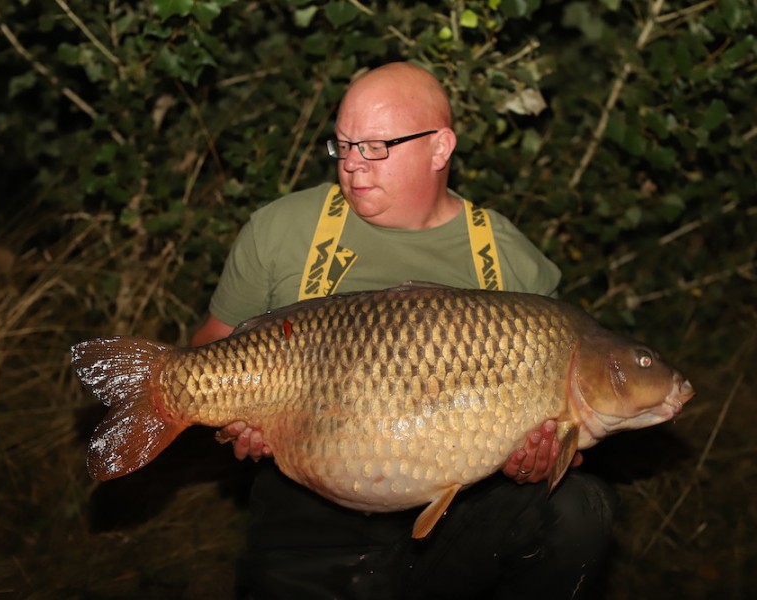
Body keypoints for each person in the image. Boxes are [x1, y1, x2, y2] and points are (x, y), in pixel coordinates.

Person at [191, 62, 615, 599]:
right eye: (342, 145)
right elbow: (211, 344)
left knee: (578, 510)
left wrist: (540, 459)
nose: (352, 166)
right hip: (308, 515)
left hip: (464, 517)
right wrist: (234, 416)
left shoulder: (504, 257)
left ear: (439, 148)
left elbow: (567, 422)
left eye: (375, 146)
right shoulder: (281, 230)